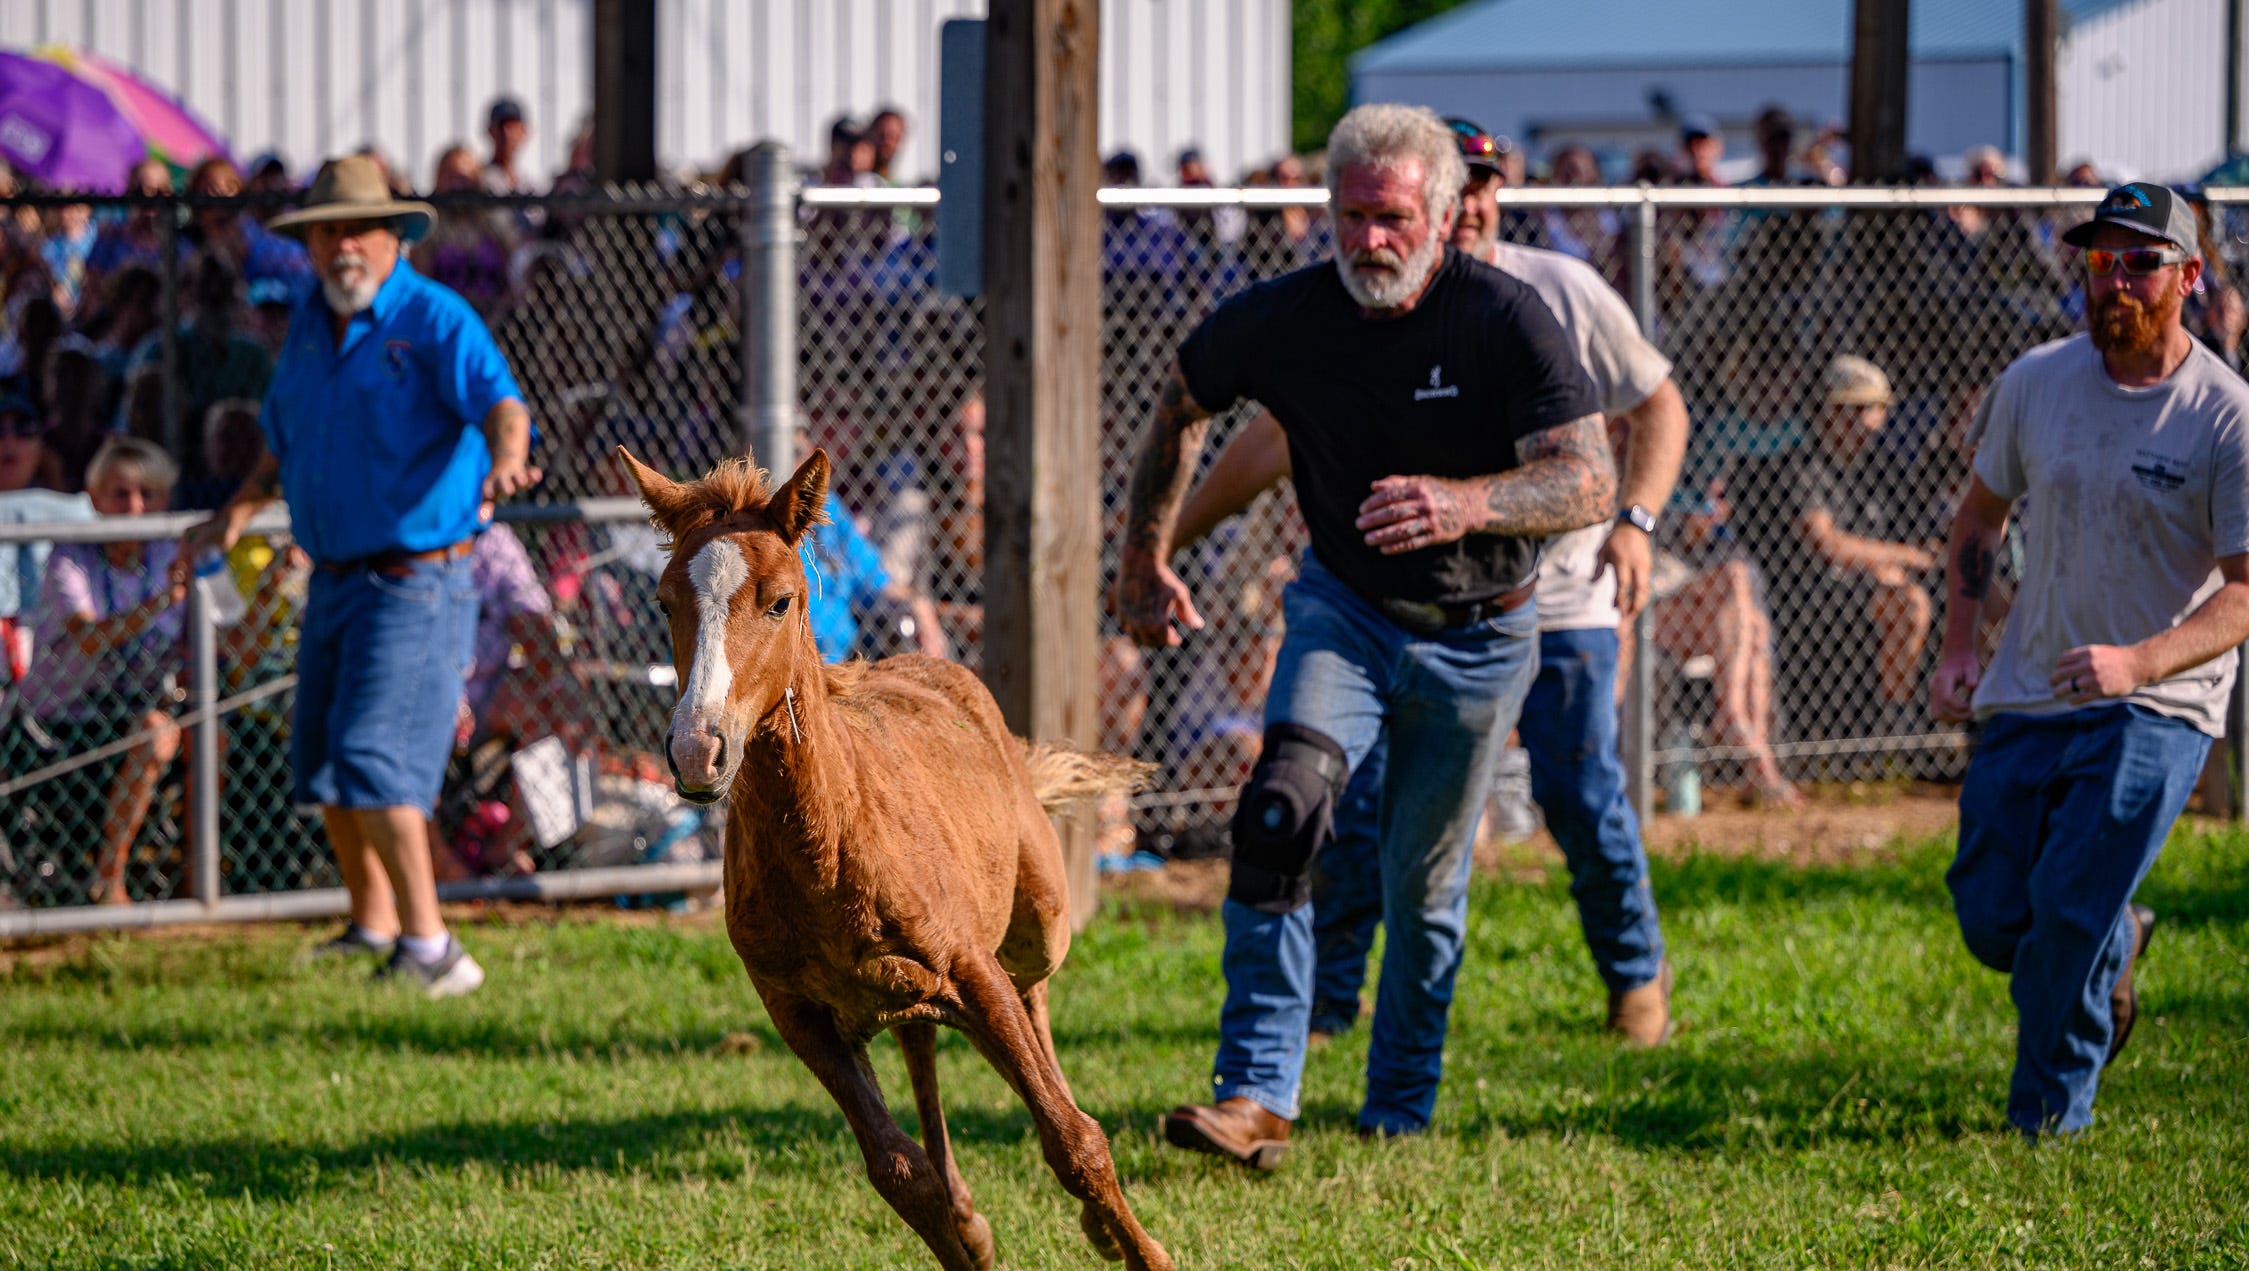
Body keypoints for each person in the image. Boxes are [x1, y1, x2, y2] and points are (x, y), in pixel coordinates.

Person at [1113, 103, 1612, 1163]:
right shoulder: (1285, 318)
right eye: (1349, 218)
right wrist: (1140, 559)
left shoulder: (1505, 315)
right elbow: (1178, 405)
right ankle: (1253, 1093)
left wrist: (1465, 504)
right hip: (1344, 611)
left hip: (1480, 635)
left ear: (1439, 215)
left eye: (1390, 219)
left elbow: (1587, 478)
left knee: (1421, 887)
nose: (1368, 242)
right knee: (1278, 809)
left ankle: (1398, 1099)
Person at [1166, 115, 1691, 1051]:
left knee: (1579, 793)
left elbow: (1657, 405)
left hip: (1557, 595)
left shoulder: (1554, 292)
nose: (1476, 208)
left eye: (1488, 190)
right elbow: (1272, 437)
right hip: (1389, 605)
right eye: (1465, 189)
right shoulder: (1380, 303)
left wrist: (1638, 523)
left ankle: (1632, 978)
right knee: (1346, 804)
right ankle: (1330, 1004)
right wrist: (1168, 536)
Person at [1930, 182, 2249, 1138]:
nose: (2115, 277)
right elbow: (1978, 520)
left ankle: (2045, 1121)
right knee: (1992, 916)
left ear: (2187, 278)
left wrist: (2139, 664)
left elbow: (2244, 587)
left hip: (2159, 703)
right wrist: (1954, 650)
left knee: (2064, 912)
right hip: (2029, 686)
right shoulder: (2036, 380)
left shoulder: (2224, 416)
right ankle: (2119, 938)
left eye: (2141, 261)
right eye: (2100, 258)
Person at [187, 155, 540, 998]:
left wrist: (508, 460)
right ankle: (374, 924)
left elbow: (502, 403)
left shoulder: (433, 316)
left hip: (417, 579)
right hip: (337, 576)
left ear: (394, 237)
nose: (342, 245)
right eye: (325, 232)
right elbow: (283, 434)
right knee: (325, 763)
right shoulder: (310, 319)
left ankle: (436, 950)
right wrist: (238, 507)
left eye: (358, 229)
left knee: (375, 758)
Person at [11, 438, 187, 904]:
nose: (134, 507)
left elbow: (223, 644)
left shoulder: (175, 554)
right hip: (61, 716)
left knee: (203, 734)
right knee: (154, 731)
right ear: (93, 498)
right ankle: (109, 882)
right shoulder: (72, 556)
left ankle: (203, 878)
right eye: (119, 494)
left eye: (147, 494)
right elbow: (89, 637)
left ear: (166, 500)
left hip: (141, 708)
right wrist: (160, 604)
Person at [1725, 356, 1935, 735]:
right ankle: (1895, 727)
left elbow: (1914, 534)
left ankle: (1968, 724)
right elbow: (1828, 545)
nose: (1865, 422)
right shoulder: (1802, 467)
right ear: (1825, 413)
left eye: (1873, 409)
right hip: (1814, 593)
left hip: (1873, 585)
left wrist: (1895, 562)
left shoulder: (1884, 470)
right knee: (1910, 603)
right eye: (1851, 410)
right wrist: (1907, 558)